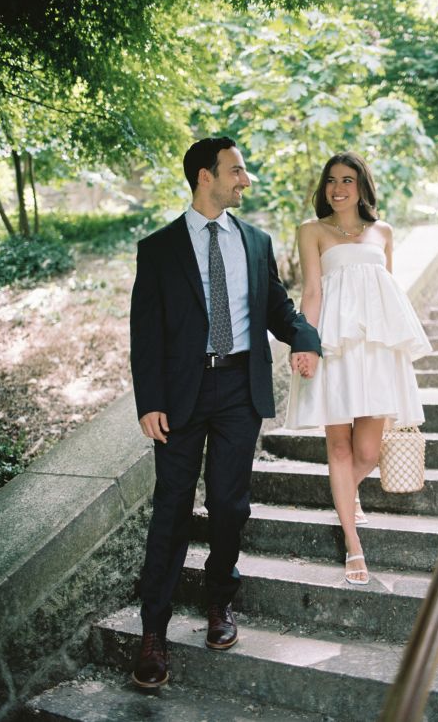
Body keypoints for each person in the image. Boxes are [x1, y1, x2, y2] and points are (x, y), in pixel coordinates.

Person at [129, 136, 321, 687]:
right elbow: (145, 333)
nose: (245, 180)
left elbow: (278, 310)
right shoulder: (159, 248)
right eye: (236, 171)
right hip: (182, 398)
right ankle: (153, 632)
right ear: (204, 177)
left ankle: (219, 602)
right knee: (170, 512)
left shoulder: (256, 242)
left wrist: (305, 339)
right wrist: (150, 401)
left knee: (230, 506)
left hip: (241, 389)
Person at [286, 151, 431, 585]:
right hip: (334, 346)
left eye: (348, 180)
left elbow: (387, 293)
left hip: (375, 350)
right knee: (340, 449)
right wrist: (306, 344)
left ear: (362, 186)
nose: (338, 188)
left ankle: (345, 495)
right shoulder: (312, 231)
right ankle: (353, 543)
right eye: (331, 180)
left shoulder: (382, 232)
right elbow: (312, 292)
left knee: (369, 452)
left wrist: (399, 348)